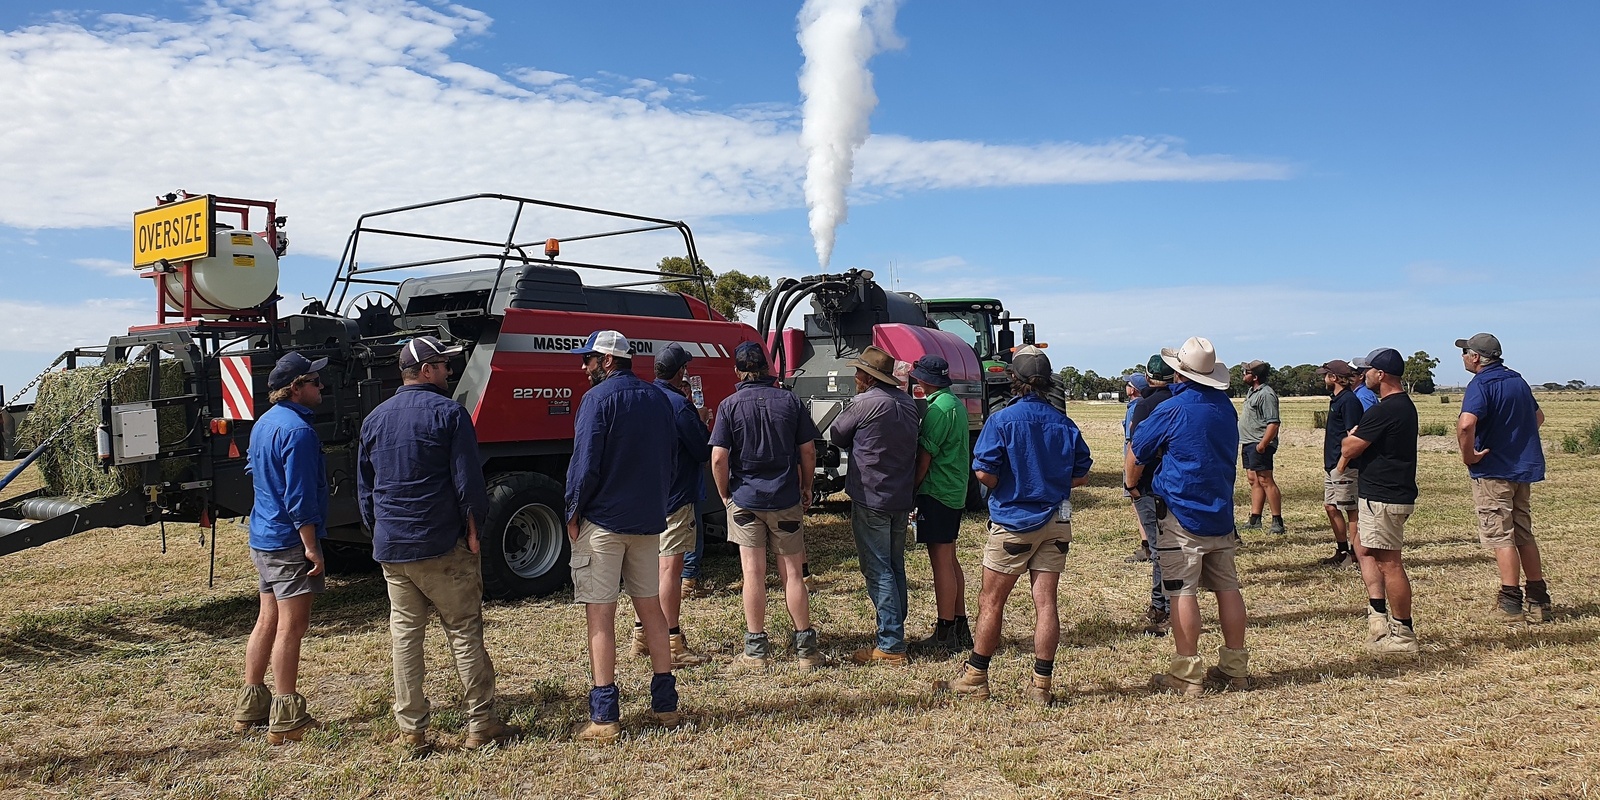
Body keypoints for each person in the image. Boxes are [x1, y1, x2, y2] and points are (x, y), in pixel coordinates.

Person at [357, 335, 517, 756]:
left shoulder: (374, 418)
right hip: (441, 543)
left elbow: (366, 488)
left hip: (393, 547)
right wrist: (474, 530)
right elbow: (469, 483)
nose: (449, 371)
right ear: (427, 371)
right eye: (444, 366)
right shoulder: (450, 413)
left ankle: (412, 730)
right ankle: (481, 723)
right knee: (463, 630)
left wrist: (379, 531)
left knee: (405, 636)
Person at [935, 346, 1092, 705]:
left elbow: (984, 472)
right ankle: (1041, 686)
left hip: (1013, 522)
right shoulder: (1063, 422)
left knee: (992, 602)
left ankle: (976, 676)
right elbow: (1080, 474)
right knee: (1046, 603)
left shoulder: (1002, 420)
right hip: (1056, 521)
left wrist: (1013, 482)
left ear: (1013, 380)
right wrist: (1050, 482)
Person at [564, 330, 681, 743]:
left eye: (588, 359)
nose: (583, 366)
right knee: (652, 611)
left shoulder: (596, 400)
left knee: (601, 614)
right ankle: (665, 705)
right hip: (647, 522)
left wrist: (572, 512)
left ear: (608, 361)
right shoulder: (658, 399)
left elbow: (585, 462)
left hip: (604, 524)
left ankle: (604, 716)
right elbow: (670, 457)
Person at [1129, 337, 1251, 696]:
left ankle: (1186, 672)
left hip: (1182, 514)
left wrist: (1136, 484)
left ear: (1179, 373)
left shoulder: (1174, 408)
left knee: (1183, 592)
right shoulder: (1226, 407)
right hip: (1220, 511)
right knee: (1228, 588)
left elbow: (1140, 448)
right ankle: (1235, 668)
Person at [711, 342, 830, 673]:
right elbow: (808, 451)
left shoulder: (728, 405)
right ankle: (806, 651)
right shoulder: (790, 401)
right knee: (793, 573)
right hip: (785, 498)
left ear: (737, 371)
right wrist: (807, 487)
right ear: (767, 368)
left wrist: (725, 495)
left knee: (753, 574)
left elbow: (719, 457)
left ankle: (756, 651)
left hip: (745, 499)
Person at [235, 351, 329, 744]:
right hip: (290, 541)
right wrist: (312, 547)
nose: (321, 387)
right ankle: (288, 717)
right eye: (315, 382)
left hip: (263, 535)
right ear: (296, 389)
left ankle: (251, 707)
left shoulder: (263, 424)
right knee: (293, 625)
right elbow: (300, 497)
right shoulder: (300, 432)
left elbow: (254, 473)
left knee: (267, 620)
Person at [830, 346, 921, 666]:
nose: (855, 377)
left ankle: (891, 645)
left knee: (878, 568)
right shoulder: (907, 403)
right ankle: (896, 632)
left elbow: (838, 435)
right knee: (895, 566)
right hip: (900, 496)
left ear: (869, 378)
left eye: (858, 372)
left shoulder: (864, 402)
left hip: (872, 497)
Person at [1455, 332, 1552, 623]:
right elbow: (1539, 418)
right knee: (1523, 531)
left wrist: (1469, 455)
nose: (1462, 357)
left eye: (1465, 352)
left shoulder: (1480, 384)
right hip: (1521, 468)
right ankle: (1538, 597)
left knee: (1500, 534)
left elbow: (1465, 424)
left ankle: (1510, 601)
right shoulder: (1517, 380)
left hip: (1493, 470)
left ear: (1475, 357)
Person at [630, 342, 712, 665]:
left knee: (646, 570)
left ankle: (641, 635)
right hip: (676, 496)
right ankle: (671, 641)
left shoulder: (643, 397)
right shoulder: (680, 406)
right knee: (670, 570)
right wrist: (702, 419)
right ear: (681, 373)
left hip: (645, 497)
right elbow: (703, 450)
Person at [1340, 347, 1420, 655]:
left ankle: (1403, 633)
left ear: (1380, 374)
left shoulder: (1385, 409)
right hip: (1385, 494)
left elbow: (1349, 448)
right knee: (1364, 549)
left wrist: (1352, 438)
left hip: (1384, 497)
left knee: (1390, 563)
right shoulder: (1404, 406)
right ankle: (1378, 615)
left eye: (1368, 371)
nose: (1364, 375)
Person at [909, 355, 973, 651]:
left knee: (940, 565)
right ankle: (960, 624)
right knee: (950, 560)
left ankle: (944, 630)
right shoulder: (955, 404)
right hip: (954, 490)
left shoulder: (937, 410)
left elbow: (925, 457)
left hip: (937, 491)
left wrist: (912, 489)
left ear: (926, 380)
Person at [1124, 355, 1176, 636]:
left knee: (1160, 550)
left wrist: (1132, 485)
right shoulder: (1179, 401)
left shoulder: (1145, 406)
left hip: (1150, 486)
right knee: (1166, 547)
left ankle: (1165, 607)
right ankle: (1161, 604)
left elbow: (1137, 449)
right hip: (1174, 485)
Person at [1317, 359, 1364, 567]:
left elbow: (1353, 437)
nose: (1323, 378)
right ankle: (1342, 550)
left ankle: (1354, 555)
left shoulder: (1349, 401)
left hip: (1344, 467)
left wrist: (1342, 465)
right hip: (1333, 466)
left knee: (1351, 510)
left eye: (1326, 375)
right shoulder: (1336, 399)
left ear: (1334, 378)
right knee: (1331, 506)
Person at [1239, 360, 1283, 534]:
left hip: (1259, 443)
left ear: (1255, 376)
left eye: (1246, 372)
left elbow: (1273, 423)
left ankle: (1277, 521)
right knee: (1253, 479)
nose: (1243, 375)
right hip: (1249, 442)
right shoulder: (1252, 392)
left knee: (1266, 480)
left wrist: (1263, 444)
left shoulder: (1266, 394)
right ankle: (1255, 519)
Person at [1121, 373, 1151, 564]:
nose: (1125, 387)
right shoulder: (1139, 406)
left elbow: (1133, 439)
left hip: (1134, 462)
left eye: (1128, 384)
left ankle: (1147, 547)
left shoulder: (1136, 408)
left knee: (1138, 503)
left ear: (1133, 390)